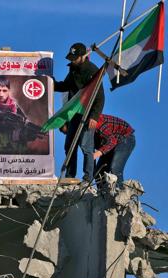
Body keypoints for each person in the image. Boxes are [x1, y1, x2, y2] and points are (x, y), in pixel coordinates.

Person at [54, 42, 105, 181]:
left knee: (85, 146)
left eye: (74, 58)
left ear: (83, 56)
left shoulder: (92, 71)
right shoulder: (73, 70)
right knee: (69, 145)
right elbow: (65, 86)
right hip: (74, 113)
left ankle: (88, 177)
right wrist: (51, 83)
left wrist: (94, 116)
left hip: (88, 114)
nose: (72, 60)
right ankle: (70, 176)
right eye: (71, 57)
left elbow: (100, 97)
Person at [93, 114, 135, 185]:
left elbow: (112, 141)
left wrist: (96, 154)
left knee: (115, 169)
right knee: (98, 174)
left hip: (125, 138)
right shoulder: (83, 135)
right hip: (109, 144)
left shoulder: (96, 122)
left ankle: (119, 193)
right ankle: (104, 194)